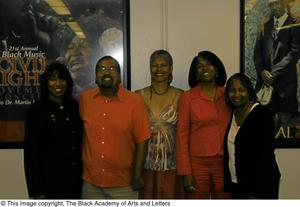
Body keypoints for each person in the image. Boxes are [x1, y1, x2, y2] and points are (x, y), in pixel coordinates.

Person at [79, 56, 150, 199]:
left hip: (124, 185)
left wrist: (137, 175)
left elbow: (142, 140)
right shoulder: (85, 100)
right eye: (102, 69)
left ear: (119, 76)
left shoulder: (134, 101)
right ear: (96, 77)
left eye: (112, 69)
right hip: (91, 184)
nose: (107, 73)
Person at [24, 62, 83, 199]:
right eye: (53, 79)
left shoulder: (74, 106)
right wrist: (37, 191)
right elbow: (31, 155)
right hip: (49, 185)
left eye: (62, 79)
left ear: (68, 82)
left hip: (76, 183)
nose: (58, 84)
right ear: (46, 83)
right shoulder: (36, 111)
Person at [176, 51, 231, 199]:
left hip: (224, 161)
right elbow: (181, 135)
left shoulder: (228, 95)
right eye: (200, 66)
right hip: (196, 163)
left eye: (209, 65)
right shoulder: (187, 97)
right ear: (195, 73)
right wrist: (185, 172)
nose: (204, 69)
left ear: (217, 69)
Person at [224, 73, 281, 199]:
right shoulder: (232, 115)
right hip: (237, 185)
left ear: (249, 92)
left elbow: (265, 156)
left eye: (241, 90)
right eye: (232, 90)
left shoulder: (262, 114)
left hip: (260, 187)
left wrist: (253, 194)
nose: (236, 94)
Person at [136, 50, 183, 199]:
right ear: (149, 68)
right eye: (154, 65)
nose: (159, 69)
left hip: (173, 167)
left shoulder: (181, 96)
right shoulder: (137, 96)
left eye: (163, 65)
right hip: (146, 167)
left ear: (171, 68)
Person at [254, 0, 300, 126]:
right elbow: (257, 53)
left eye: (277, 3)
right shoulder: (264, 26)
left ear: (284, 3)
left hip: (286, 89)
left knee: (288, 127)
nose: (274, 7)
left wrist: (272, 74)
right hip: (266, 90)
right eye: (271, 4)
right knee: (264, 128)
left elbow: (294, 54)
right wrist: (262, 71)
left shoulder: (295, 24)